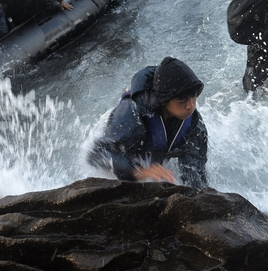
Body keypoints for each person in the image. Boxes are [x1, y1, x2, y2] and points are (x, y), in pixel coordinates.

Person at [87, 57, 208, 189]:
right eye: (182, 101)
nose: (190, 105)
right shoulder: (132, 113)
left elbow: (196, 173)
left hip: (157, 151)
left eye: (193, 96)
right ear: (164, 100)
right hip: (127, 152)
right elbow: (97, 154)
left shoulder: (193, 123)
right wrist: (139, 171)